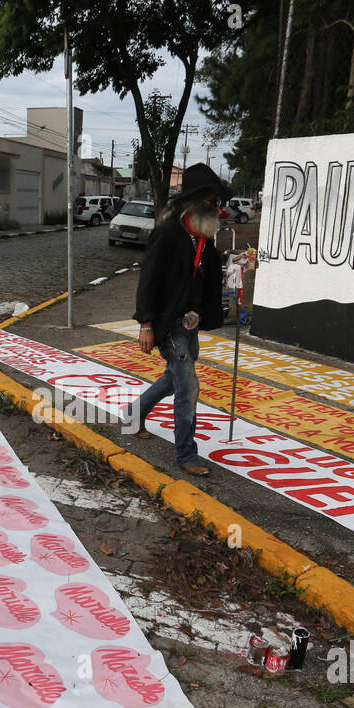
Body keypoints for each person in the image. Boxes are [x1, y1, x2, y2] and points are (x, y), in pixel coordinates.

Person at [125, 163, 230, 477]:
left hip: (190, 325)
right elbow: (148, 280)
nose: (217, 209)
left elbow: (209, 276)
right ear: (194, 203)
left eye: (218, 203)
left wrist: (236, 267)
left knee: (173, 379)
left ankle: (133, 416)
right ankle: (186, 453)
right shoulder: (168, 233)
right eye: (212, 203)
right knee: (189, 387)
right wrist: (145, 325)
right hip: (168, 324)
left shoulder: (203, 240)